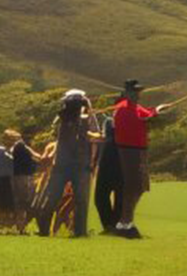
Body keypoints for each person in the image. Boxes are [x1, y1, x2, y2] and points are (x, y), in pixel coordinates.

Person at [36, 90, 97, 238]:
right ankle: (80, 231)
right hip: (79, 164)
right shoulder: (83, 118)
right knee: (81, 200)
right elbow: (92, 135)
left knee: (52, 197)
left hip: (62, 164)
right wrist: (92, 160)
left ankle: (44, 230)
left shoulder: (62, 117)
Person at [109, 79, 165, 240]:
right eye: (134, 92)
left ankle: (126, 222)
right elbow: (145, 119)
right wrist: (156, 112)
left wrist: (157, 109)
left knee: (138, 187)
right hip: (131, 150)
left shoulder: (135, 107)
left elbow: (146, 114)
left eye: (138, 92)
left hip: (137, 150)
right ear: (127, 93)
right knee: (134, 186)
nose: (137, 95)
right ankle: (125, 223)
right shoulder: (123, 108)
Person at [92, 107, 122, 235]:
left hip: (111, 162)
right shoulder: (110, 122)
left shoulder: (109, 122)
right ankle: (112, 226)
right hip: (116, 161)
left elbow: (102, 137)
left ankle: (111, 225)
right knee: (116, 197)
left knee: (102, 196)